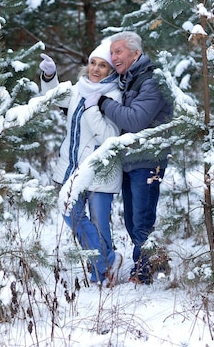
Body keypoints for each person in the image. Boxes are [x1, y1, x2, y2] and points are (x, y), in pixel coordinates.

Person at [87, 31, 174, 285]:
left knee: (142, 218)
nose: (114, 57)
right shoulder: (127, 79)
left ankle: (143, 273)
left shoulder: (151, 80)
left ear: (135, 53)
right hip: (130, 159)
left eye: (118, 52)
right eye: (111, 52)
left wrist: (104, 103)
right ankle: (154, 260)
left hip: (148, 158)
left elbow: (136, 120)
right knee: (133, 219)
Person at [39, 42, 124, 287]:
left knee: (99, 225)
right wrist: (49, 76)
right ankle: (109, 260)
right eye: (93, 63)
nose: (96, 69)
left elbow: (109, 137)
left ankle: (101, 275)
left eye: (103, 65)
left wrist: (92, 109)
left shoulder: (114, 95)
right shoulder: (79, 89)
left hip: (100, 171)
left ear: (111, 69)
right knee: (70, 212)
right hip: (72, 168)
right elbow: (54, 97)